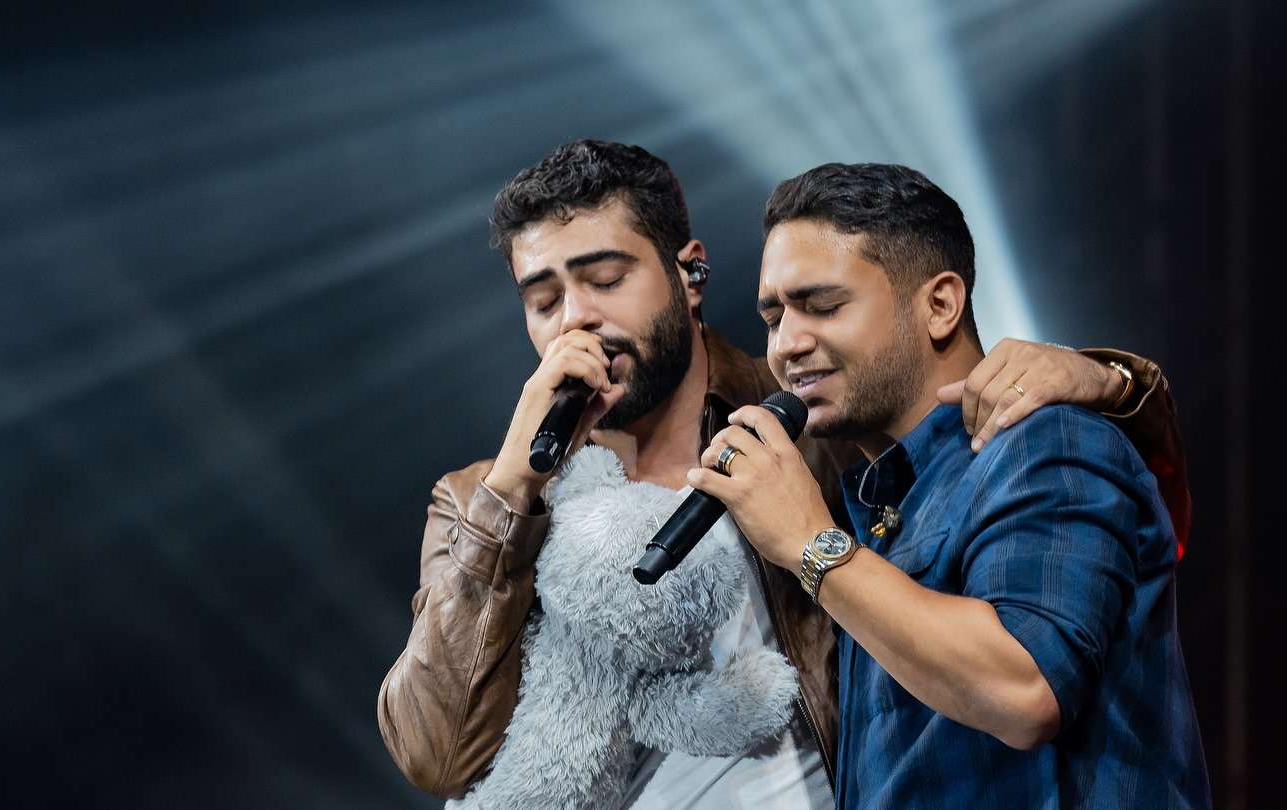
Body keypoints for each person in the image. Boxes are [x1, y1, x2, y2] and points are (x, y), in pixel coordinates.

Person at [377, 140, 1191, 807]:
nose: (575, 318)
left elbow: (1047, 492)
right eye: (542, 298)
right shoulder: (485, 502)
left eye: (605, 279)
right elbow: (435, 757)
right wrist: (512, 492)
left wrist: (1113, 383)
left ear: (690, 275)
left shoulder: (815, 430)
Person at [689, 162, 1208, 807]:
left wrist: (809, 544)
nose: (787, 343)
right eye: (773, 317)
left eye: (822, 306)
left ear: (939, 305)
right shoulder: (878, 505)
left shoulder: (1048, 443)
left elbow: (1025, 689)